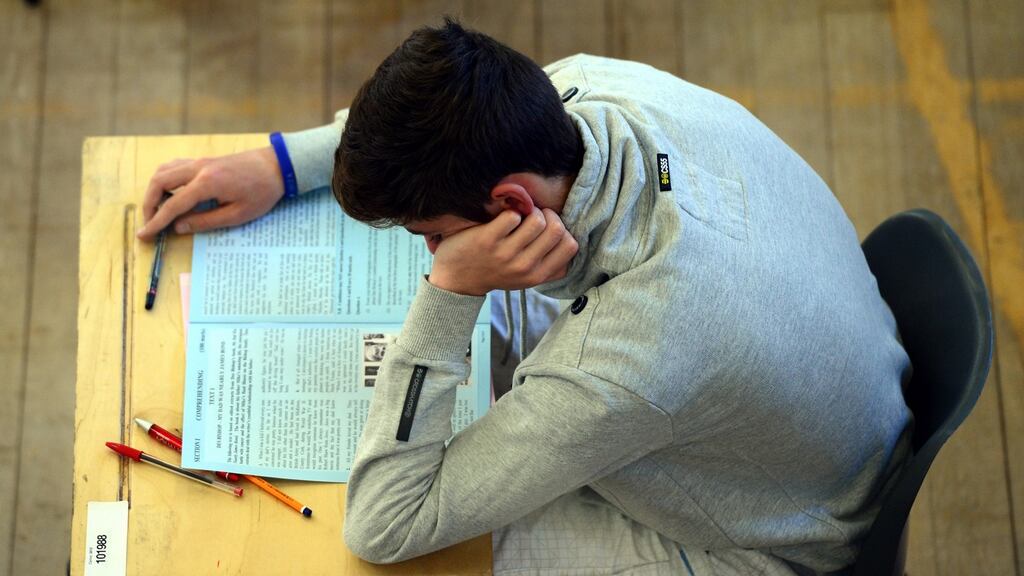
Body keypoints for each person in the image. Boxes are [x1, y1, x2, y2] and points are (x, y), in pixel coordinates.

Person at [138, 19, 912, 576]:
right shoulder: (590, 90)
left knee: (419, 562)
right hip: (817, 412)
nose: (431, 251)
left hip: (771, 539)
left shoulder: (634, 357)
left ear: (510, 208)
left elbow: (386, 524)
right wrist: (279, 163)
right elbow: (441, 128)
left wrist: (449, 293)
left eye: (431, 234)